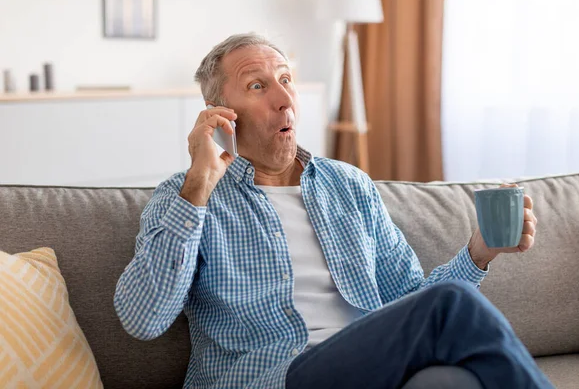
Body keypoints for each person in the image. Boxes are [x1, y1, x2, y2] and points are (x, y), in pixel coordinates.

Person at [114, 33, 553, 389]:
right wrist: (198, 186)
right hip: (275, 378)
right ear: (219, 117)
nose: (284, 99)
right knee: (451, 303)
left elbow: (412, 303)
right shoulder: (187, 196)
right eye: (257, 86)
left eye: (286, 79)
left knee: (449, 381)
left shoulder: (347, 184)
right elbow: (142, 319)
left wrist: (478, 253)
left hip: (370, 368)